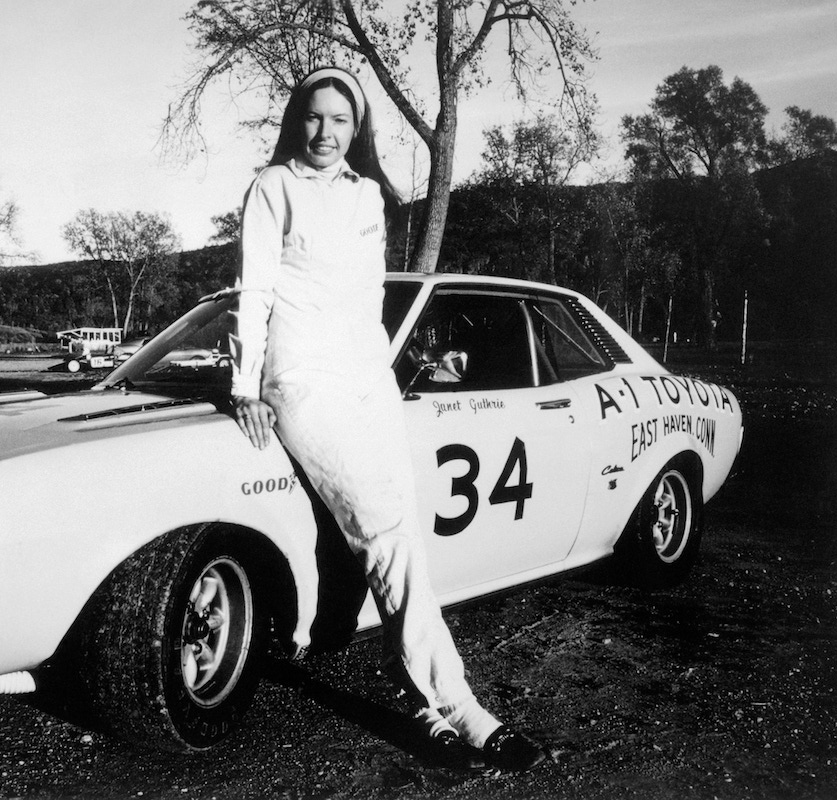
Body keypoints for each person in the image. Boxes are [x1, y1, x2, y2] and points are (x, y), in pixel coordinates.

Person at [228, 66, 546, 772]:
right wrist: (246, 385)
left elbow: (368, 303)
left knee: (403, 529)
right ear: (295, 119)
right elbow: (253, 291)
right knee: (381, 531)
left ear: (358, 128)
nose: (325, 133)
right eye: (314, 117)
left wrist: (389, 378)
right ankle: (463, 707)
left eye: (340, 121)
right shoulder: (271, 187)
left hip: (369, 382)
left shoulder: (370, 195)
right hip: (302, 383)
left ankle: (422, 702)